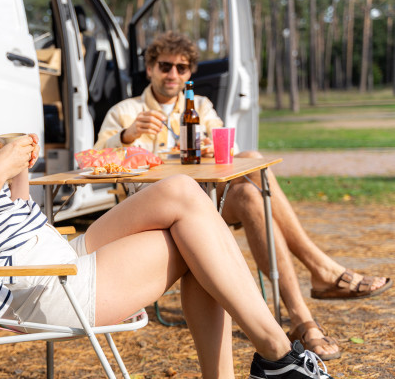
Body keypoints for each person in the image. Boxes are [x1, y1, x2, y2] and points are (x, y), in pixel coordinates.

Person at [0, 25, 336, 379]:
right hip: (33, 290)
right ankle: (276, 352)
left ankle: (272, 355)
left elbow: (14, 220)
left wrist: (16, 175)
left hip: (49, 258)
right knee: (196, 240)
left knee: (183, 192)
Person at [95, 31, 392, 361]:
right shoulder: (126, 111)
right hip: (151, 208)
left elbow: (231, 154)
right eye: (165, 66)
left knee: (250, 167)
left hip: (202, 202)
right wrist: (127, 135)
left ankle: (300, 314)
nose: (173, 75)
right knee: (249, 173)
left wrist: (214, 150)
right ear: (150, 68)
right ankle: (319, 279)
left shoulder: (200, 107)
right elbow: (93, 160)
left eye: (181, 68)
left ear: (190, 73)